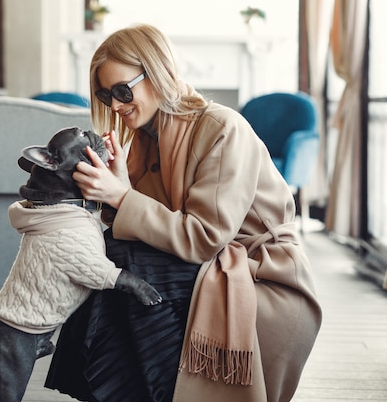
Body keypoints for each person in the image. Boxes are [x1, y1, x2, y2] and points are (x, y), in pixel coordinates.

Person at [44, 23, 322, 402]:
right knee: (106, 262)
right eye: (105, 95)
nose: (115, 105)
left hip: (259, 270)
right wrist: (117, 190)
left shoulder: (223, 127)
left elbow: (203, 238)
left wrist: (123, 197)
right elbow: (147, 227)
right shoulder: (143, 137)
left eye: (124, 90)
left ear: (158, 72)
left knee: (119, 264)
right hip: (204, 263)